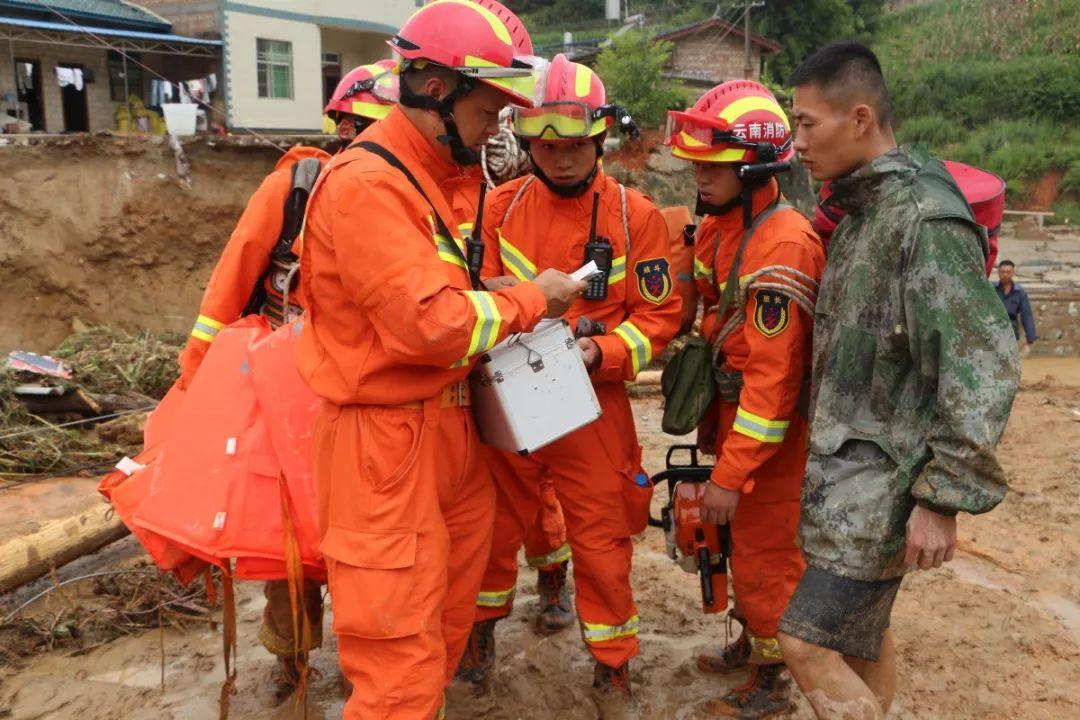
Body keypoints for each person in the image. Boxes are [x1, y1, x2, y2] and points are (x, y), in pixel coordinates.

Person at [294, 3, 586, 718]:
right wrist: (529, 301)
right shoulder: (370, 185)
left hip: (445, 433)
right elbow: (426, 324)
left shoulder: (430, 179)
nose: (496, 130)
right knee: (398, 661)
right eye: (488, 110)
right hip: (384, 448)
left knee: (443, 633)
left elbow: (434, 293)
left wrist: (492, 298)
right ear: (432, 88)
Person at [777, 42, 1019, 720]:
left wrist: (942, 496)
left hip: (882, 490)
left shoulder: (921, 218)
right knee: (859, 637)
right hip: (851, 479)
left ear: (859, 119)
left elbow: (980, 363)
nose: (796, 141)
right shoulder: (866, 209)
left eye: (805, 123)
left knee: (805, 643)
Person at [458, 54, 681, 719]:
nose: (560, 159)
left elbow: (660, 321)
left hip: (592, 407)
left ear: (601, 138)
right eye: (547, 146)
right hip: (506, 395)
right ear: (527, 142)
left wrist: (602, 350)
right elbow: (476, 297)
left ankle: (612, 672)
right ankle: (479, 641)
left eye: (575, 145)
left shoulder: (635, 216)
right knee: (491, 530)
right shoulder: (497, 207)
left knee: (604, 540)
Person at [174, 61, 397, 703]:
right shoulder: (294, 189)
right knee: (290, 535)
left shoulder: (417, 198)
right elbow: (230, 282)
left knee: (369, 535)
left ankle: (371, 663)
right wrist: (196, 382)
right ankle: (292, 658)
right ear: (343, 128)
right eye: (361, 130)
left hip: (370, 392)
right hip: (287, 386)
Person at [665, 80, 825, 719]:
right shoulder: (720, 228)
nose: (701, 177)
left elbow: (774, 384)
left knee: (764, 556)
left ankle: (771, 682)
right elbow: (702, 317)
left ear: (756, 168)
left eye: (715, 166)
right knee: (734, 546)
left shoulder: (781, 244)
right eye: (698, 165)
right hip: (731, 419)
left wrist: (733, 473)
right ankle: (750, 645)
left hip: (771, 440)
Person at [995, 259, 1038, 347]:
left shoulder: (1020, 292)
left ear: (1013, 273)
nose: (1005, 275)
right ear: (998, 273)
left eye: (1008, 272)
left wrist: (1030, 336)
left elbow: (1026, 314)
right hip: (993, 330)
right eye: (1003, 272)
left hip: (1011, 332)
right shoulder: (991, 290)